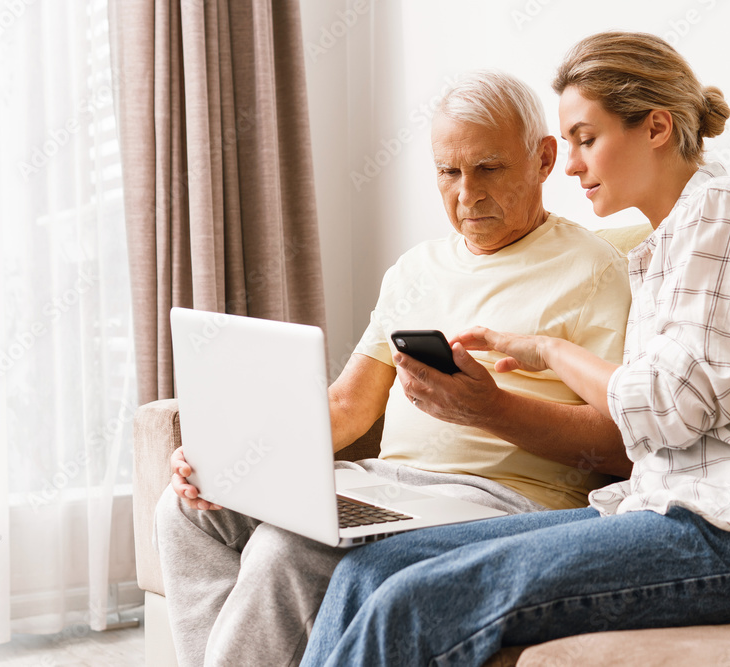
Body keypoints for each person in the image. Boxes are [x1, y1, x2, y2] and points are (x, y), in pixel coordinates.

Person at [299, 32, 730, 667]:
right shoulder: (661, 250)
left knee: (413, 601)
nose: (572, 164)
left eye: (586, 138)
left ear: (656, 127)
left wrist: (550, 352)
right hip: (674, 508)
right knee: (372, 567)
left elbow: (673, 408)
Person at [153, 70, 633, 666]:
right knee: (189, 512)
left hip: (504, 505)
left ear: (541, 159)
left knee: (288, 549)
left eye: (489, 168)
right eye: (448, 172)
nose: (467, 194)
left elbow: (621, 444)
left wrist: (492, 410)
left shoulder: (595, 270)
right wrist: (228, 458)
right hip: (390, 487)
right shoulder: (416, 268)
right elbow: (347, 407)